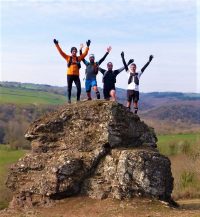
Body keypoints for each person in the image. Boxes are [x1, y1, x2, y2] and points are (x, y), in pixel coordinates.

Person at [53, 39, 91, 103]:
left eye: (75, 51)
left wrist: (87, 46)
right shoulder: (68, 57)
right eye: (73, 51)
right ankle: (69, 100)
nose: (74, 52)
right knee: (69, 88)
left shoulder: (78, 58)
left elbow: (85, 54)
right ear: (71, 52)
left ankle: (78, 100)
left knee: (79, 88)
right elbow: (61, 52)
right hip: (69, 75)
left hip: (76, 76)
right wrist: (57, 44)